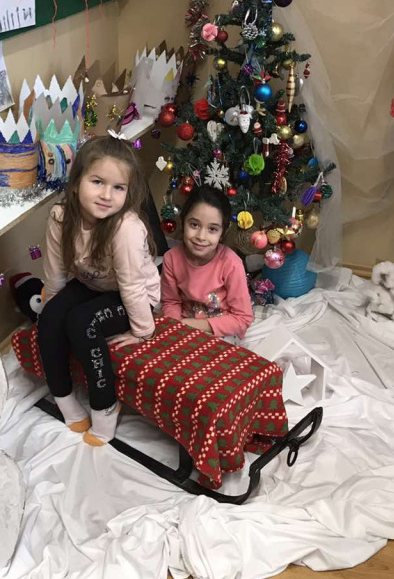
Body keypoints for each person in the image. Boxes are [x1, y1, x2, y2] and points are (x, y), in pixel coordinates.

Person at [39, 135, 159, 446]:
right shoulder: (60, 216)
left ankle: (105, 405)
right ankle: (64, 398)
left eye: (118, 187)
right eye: (97, 182)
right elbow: (56, 270)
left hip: (134, 297)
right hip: (92, 284)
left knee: (82, 322)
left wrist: (143, 330)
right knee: (50, 316)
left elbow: (132, 285)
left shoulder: (126, 227)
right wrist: (54, 309)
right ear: (76, 182)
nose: (107, 195)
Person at [161, 186, 253, 339]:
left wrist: (190, 324)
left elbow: (243, 318)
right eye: (194, 225)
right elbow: (170, 302)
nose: (201, 236)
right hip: (183, 326)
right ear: (183, 222)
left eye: (212, 229)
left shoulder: (231, 264)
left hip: (222, 331)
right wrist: (174, 327)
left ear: (222, 233)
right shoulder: (171, 258)